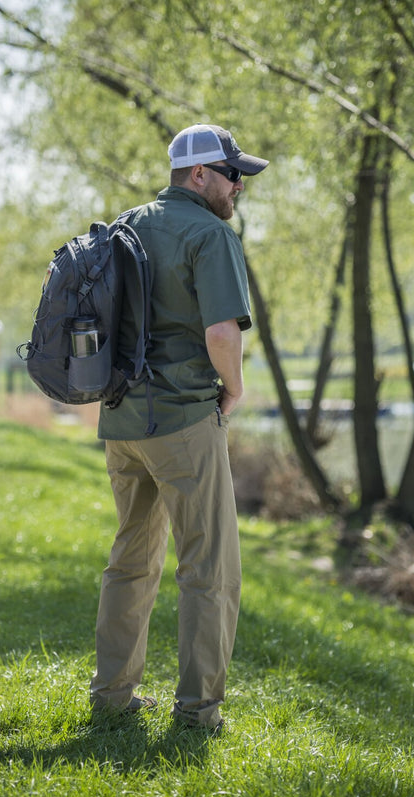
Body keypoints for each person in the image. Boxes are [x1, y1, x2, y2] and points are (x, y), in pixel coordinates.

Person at [88, 123, 269, 732]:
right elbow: (221, 333)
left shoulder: (127, 224)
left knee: (131, 559)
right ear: (199, 174)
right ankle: (197, 713)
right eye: (232, 174)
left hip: (121, 421)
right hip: (184, 421)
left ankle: (111, 697)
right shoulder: (210, 234)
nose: (239, 186)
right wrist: (234, 389)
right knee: (208, 568)